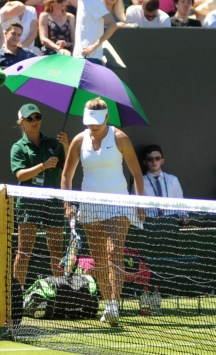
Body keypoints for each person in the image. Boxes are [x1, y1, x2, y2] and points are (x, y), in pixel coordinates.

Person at [60, 98, 145, 326]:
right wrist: (68, 204)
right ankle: (108, 303)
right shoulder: (79, 140)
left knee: (113, 251)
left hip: (118, 204)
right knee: (98, 259)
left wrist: (139, 202)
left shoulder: (120, 138)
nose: (93, 126)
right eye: (89, 122)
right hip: (89, 206)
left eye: (97, 121)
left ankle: (114, 305)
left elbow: (137, 173)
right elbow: (67, 176)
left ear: (107, 118)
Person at [11, 103, 69, 281]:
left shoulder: (53, 143)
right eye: (30, 119)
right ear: (22, 122)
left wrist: (66, 146)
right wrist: (43, 166)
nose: (34, 121)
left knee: (57, 251)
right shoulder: (18, 147)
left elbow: (67, 168)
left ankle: (60, 292)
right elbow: (20, 175)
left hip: (53, 200)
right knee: (24, 251)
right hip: (30, 202)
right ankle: (17, 295)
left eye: (37, 117)